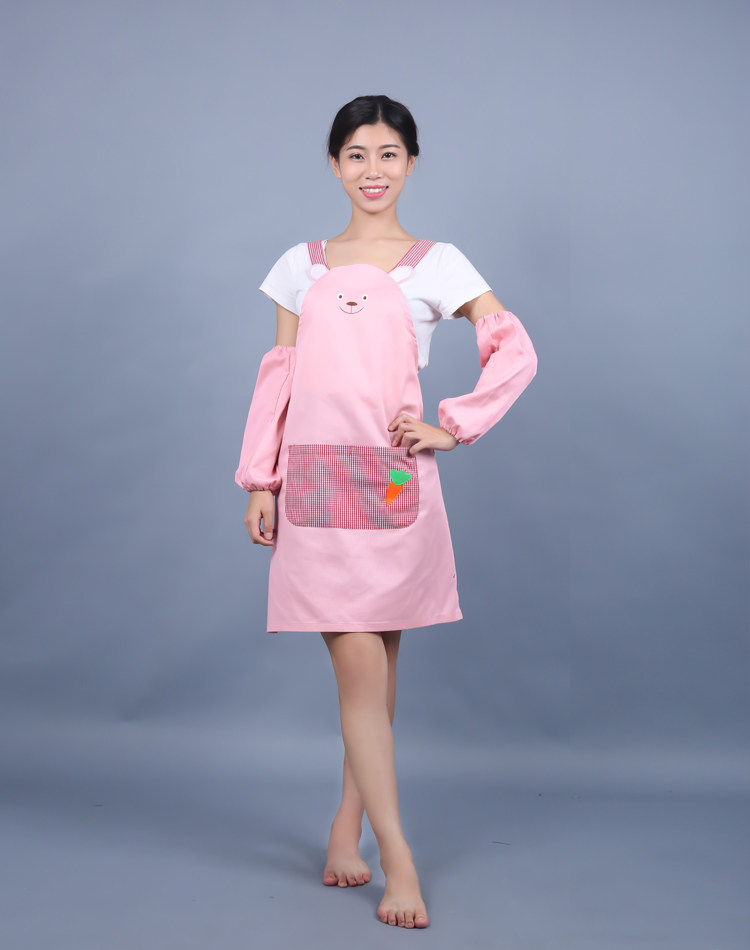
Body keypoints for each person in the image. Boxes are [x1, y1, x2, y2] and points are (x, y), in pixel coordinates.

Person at [235, 94, 538, 929]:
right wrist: (260, 478)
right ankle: (398, 856)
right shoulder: (299, 266)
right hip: (314, 484)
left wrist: (455, 425)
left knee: (379, 670)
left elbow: (511, 347)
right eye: (357, 155)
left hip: (397, 481)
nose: (373, 170)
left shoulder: (440, 264)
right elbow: (279, 377)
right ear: (334, 165)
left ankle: (347, 827)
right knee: (361, 670)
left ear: (412, 162)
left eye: (389, 154)